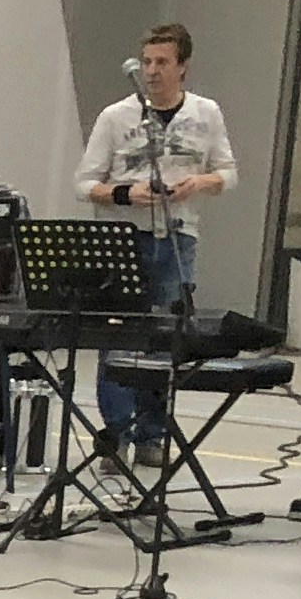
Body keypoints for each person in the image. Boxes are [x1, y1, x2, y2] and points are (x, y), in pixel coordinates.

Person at [76, 23, 234, 472]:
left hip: (178, 235)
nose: (151, 71)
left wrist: (198, 182)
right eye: (146, 62)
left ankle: (152, 434)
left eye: (162, 62)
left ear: (183, 66)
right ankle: (115, 436)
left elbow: (228, 172)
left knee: (164, 340)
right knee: (118, 337)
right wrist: (125, 194)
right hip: (126, 239)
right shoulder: (116, 117)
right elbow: (84, 183)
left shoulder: (206, 114)